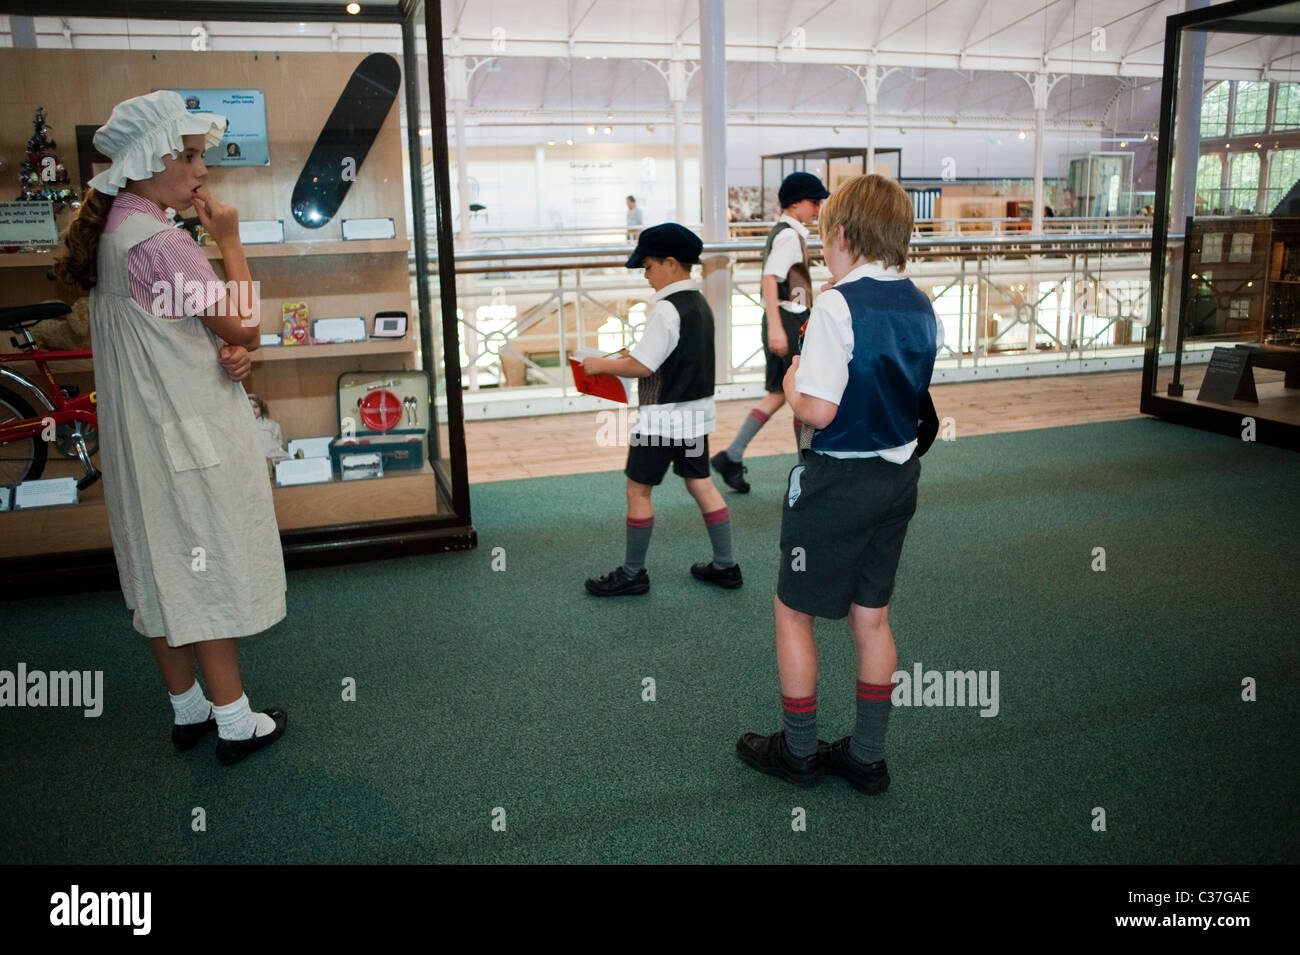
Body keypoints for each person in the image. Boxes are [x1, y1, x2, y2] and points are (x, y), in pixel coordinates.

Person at [54, 90, 287, 766]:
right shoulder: (162, 242)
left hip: (141, 439)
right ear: (148, 159)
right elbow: (244, 324)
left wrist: (227, 349)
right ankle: (236, 723)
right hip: (188, 435)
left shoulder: (112, 231)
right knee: (203, 563)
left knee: (158, 565)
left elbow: (174, 330)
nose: (201, 169)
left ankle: (188, 708)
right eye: (187, 155)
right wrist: (231, 242)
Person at [736, 174, 939, 794]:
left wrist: (792, 382)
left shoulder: (835, 305)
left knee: (793, 611)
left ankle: (799, 752)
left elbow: (818, 411)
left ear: (842, 234)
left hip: (837, 480)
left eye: (825, 239)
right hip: (898, 476)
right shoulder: (920, 300)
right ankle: (867, 757)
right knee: (871, 618)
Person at [582, 223, 740, 596]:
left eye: (648, 266)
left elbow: (643, 366)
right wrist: (632, 356)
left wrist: (599, 365)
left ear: (670, 263)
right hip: (696, 415)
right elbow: (672, 355)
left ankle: (633, 573)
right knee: (701, 484)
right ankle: (726, 566)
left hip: (660, 421)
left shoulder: (666, 309)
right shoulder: (699, 304)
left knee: (637, 491)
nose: (646, 275)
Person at [712, 171, 829, 493]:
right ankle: (806, 470)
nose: (817, 208)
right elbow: (770, 278)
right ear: (795, 203)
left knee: (779, 393)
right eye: (813, 202)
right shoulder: (789, 236)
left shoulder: (787, 232)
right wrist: (777, 327)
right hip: (789, 319)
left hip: (786, 318)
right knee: (802, 393)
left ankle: (732, 456)